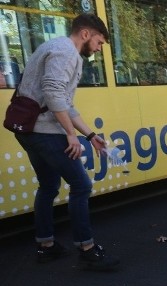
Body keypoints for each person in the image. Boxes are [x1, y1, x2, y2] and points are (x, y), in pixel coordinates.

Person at [13, 13, 119, 270]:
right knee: (81, 186)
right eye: (99, 42)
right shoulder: (67, 52)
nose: (98, 48)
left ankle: (46, 245)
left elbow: (65, 103)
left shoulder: (52, 46)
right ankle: (87, 249)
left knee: (48, 185)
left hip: (27, 130)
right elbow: (52, 94)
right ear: (85, 34)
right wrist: (71, 134)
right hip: (45, 132)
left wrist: (91, 135)